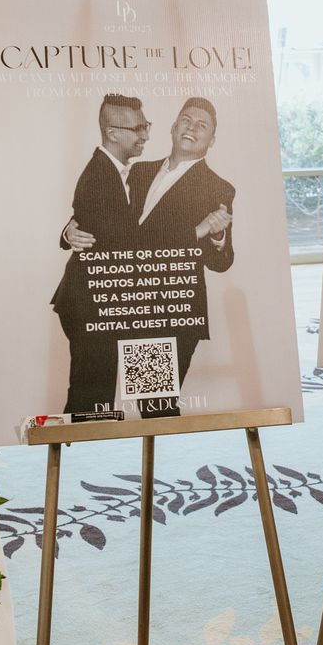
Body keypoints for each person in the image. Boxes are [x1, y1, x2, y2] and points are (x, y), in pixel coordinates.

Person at [130, 96, 234, 415]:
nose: (192, 128)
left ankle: (157, 464)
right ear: (174, 127)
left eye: (202, 126)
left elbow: (221, 262)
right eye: (186, 120)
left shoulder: (218, 188)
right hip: (122, 298)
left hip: (171, 303)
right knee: (111, 397)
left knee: (155, 404)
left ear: (211, 140)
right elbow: (118, 230)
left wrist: (215, 234)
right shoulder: (137, 173)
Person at [51, 93, 151, 413]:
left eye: (146, 125)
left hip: (106, 297)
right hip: (93, 301)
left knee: (98, 387)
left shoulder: (122, 172)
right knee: (92, 393)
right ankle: (77, 449)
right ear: (113, 133)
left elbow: (96, 224)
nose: (146, 135)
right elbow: (125, 239)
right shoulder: (98, 177)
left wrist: (69, 231)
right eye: (138, 128)